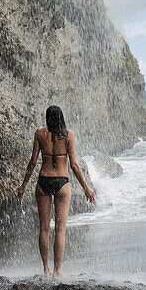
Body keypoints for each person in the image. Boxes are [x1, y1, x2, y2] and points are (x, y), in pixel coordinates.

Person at [15, 105, 95, 278]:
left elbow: (32, 163)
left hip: (43, 180)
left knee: (44, 228)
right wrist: (86, 187)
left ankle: (46, 269)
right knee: (60, 229)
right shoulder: (68, 136)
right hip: (62, 181)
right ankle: (57, 272)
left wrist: (23, 186)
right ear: (61, 118)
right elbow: (73, 165)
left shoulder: (39, 134)